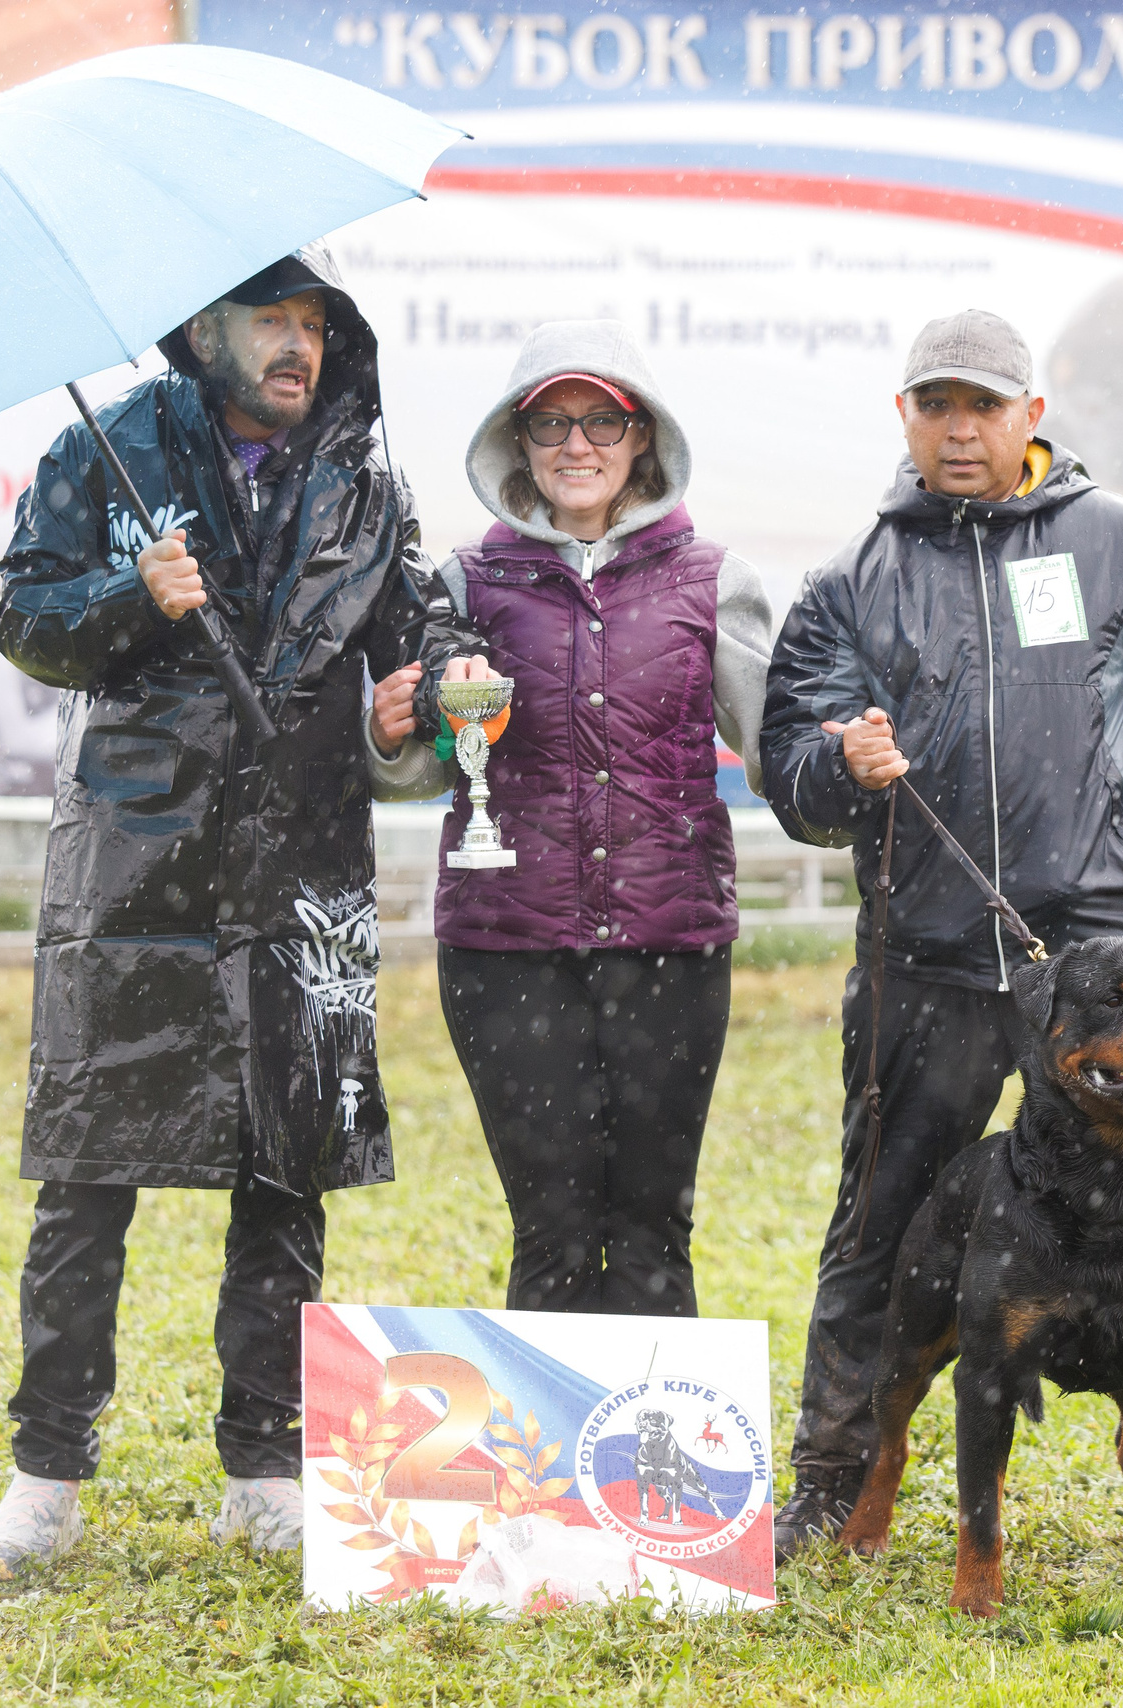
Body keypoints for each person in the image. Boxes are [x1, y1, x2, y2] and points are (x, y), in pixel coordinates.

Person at [760, 308, 1123, 1573]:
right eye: (936, 404)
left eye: (985, 405)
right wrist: (841, 766)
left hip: (1110, 962)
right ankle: (830, 1482)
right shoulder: (850, 581)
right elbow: (790, 779)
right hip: (932, 958)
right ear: (903, 416)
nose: (962, 428)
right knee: (883, 1226)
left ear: (1031, 417)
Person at [0, 246, 464, 1576]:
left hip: (298, 867)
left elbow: (423, 629)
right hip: (132, 869)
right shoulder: (115, 446)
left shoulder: (367, 476)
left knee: (286, 1177)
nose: (296, 346)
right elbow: (25, 614)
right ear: (203, 327)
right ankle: (46, 1477)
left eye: (313, 323)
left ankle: (266, 1467)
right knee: (86, 1180)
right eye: (270, 321)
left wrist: (426, 696)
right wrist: (138, 596)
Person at [367, 320, 773, 1315]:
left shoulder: (715, 580)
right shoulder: (461, 582)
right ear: (518, 439)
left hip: (670, 950)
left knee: (652, 1231)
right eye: (551, 423)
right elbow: (417, 771)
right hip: (507, 951)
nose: (576, 445)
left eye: (601, 420)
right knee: (549, 1229)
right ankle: (549, 1474)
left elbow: (781, 748)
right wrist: (385, 732)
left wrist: (853, 759)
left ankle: (652, 1470)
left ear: (643, 438)